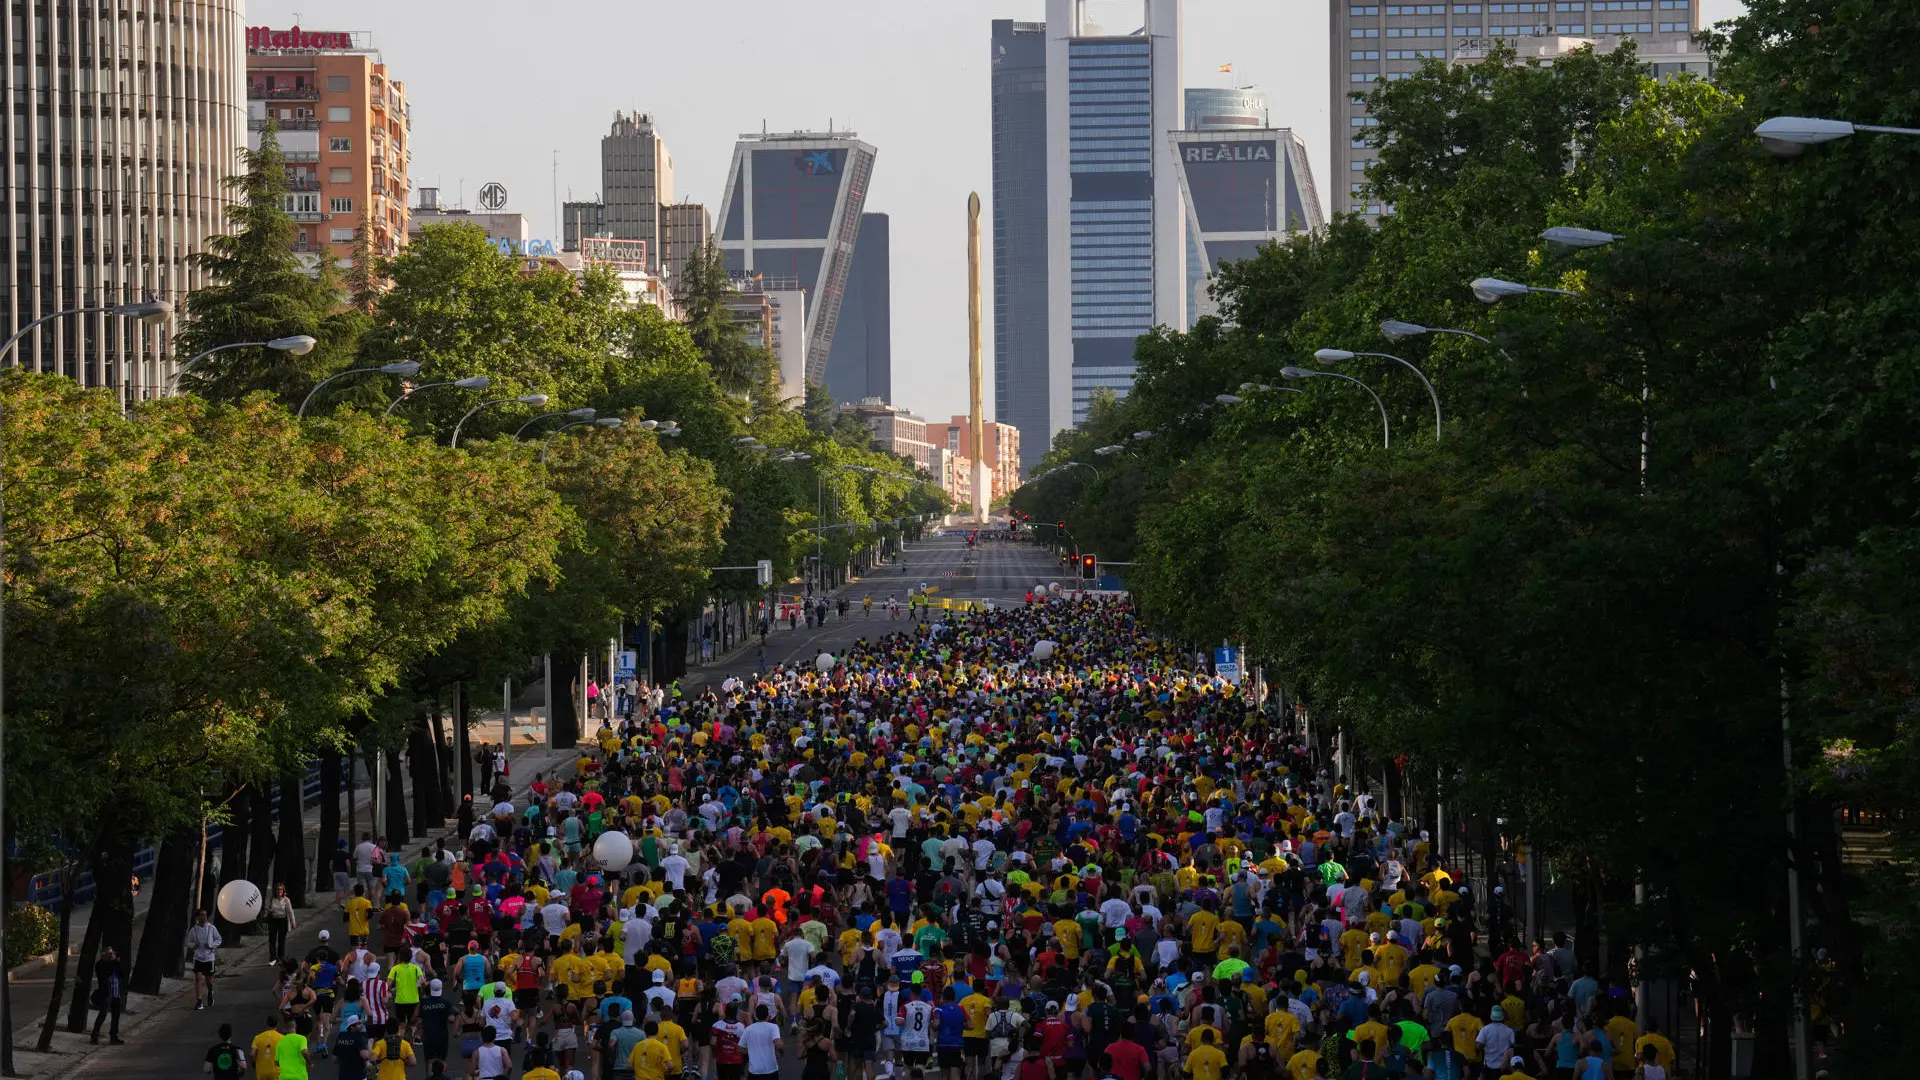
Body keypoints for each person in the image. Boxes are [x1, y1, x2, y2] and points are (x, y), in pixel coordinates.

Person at [188, 908, 223, 1010]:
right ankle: (199, 1001)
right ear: (198, 917)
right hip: (198, 957)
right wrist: (194, 945)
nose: (204, 917)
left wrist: (211, 945)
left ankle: (210, 992)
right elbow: (188, 942)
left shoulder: (211, 928)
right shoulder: (194, 930)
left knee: (209, 980)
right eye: (202, 915)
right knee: (199, 979)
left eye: (205, 915)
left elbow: (219, 939)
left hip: (209, 958)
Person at [91, 944, 126, 1044]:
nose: (111, 956)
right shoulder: (100, 965)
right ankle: (94, 1035)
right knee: (103, 1014)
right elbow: (104, 975)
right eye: (109, 954)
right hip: (105, 993)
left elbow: (122, 974)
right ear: (103, 955)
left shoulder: (115, 964)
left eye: (112, 953)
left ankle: (114, 1037)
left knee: (116, 1016)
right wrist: (112, 962)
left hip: (116, 993)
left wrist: (117, 963)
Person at [274, 1014, 313, 1080]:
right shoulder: (301, 1038)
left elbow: (277, 1062)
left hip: (284, 1077)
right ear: (295, 1027)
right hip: (299, 1076)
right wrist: (310, 1063)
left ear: (286, 1029)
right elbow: (305, 1052)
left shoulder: (280, 1042)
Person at [267, 883, 298, 965]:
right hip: (274, 920)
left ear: (283, 890)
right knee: (272, 940)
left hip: (282, 920)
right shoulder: (272, 899)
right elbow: (269, 908)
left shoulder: (286, 900)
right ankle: (272, 958)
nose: (279, 891)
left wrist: (293, 922)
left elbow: (290, 912)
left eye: (280, 889)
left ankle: (281, 958)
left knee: (281, 940)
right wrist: (269, 912)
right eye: (277, 889)